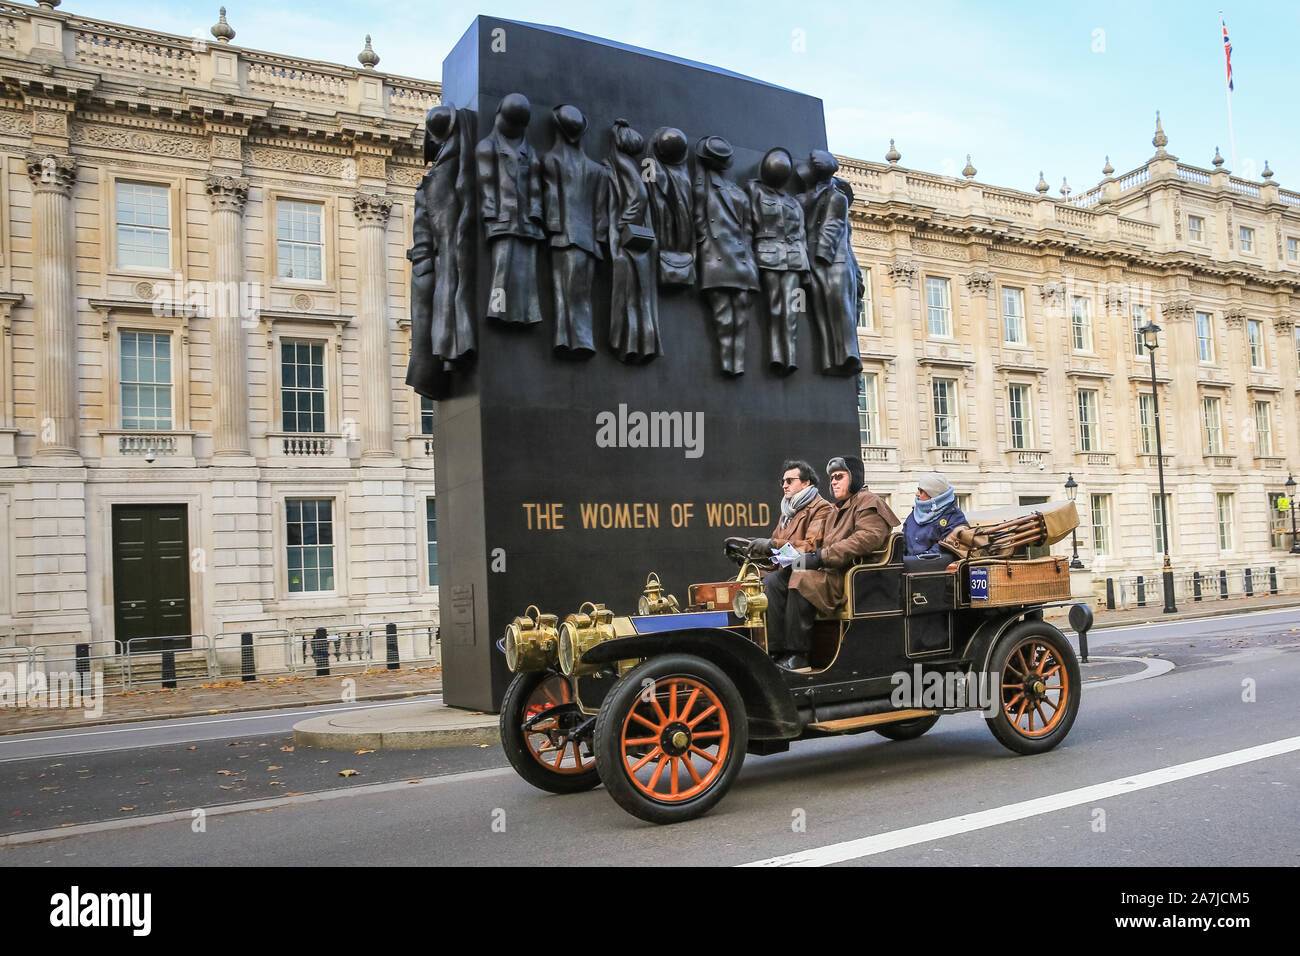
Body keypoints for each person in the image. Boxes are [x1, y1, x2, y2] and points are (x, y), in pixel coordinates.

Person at [765, 456, 899, 670]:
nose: (833, 482)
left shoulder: (869, 501)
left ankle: (798, 656)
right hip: (826, 571)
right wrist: (803, 558)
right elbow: (816, 544)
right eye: (831, 478)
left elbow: (866, 539)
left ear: (854, 478)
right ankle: (775, 651)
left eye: (839, 477)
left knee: (800, 577)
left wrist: (820, 557)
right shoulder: (837, 509)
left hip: (845, 578)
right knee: (775, 579)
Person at [746, 459, 832, 561]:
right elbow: (775, 553)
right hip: (784, 568)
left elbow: (811, 547)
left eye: (789, 481)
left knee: (770, 578)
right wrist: (754, 553)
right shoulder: (787, 511)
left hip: (802, 569)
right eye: (783, 481)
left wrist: (773, 544)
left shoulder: (821, 508)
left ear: (805, 483)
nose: (784, 486)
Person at [903, 473, 968, 557]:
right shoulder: (914, 514)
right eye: (918, 489)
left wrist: (920, 558)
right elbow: (903, 541)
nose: (917, 494)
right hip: (910, 565)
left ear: (933, 494)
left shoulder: (954, 516)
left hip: (936, 566)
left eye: (921, 491)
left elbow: (946, 546)